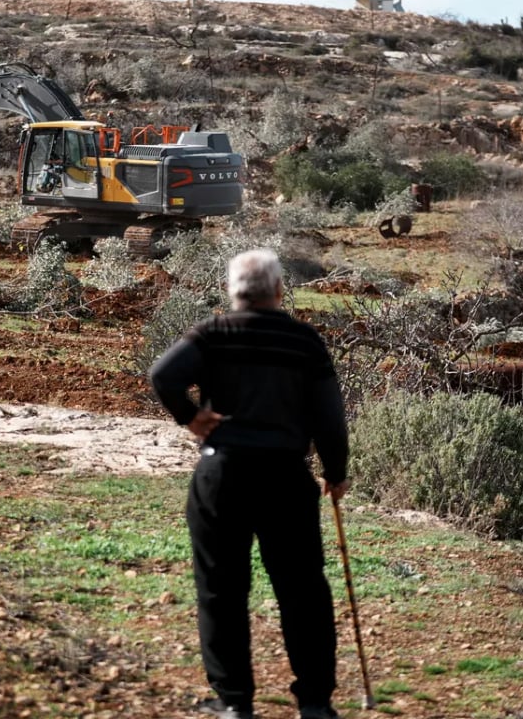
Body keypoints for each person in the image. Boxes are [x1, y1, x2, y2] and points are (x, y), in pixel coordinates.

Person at [149, 249, 350, 719]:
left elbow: (162, 375)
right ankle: (316, 702)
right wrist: (335, 472)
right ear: (279, 291)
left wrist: (191, 417)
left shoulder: (214, 333)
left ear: (233, 292)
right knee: (303, 591)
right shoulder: (304, 341)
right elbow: (329, 418)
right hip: (285, 477)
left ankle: (235, 703)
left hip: (223, 474)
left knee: (220, 588)